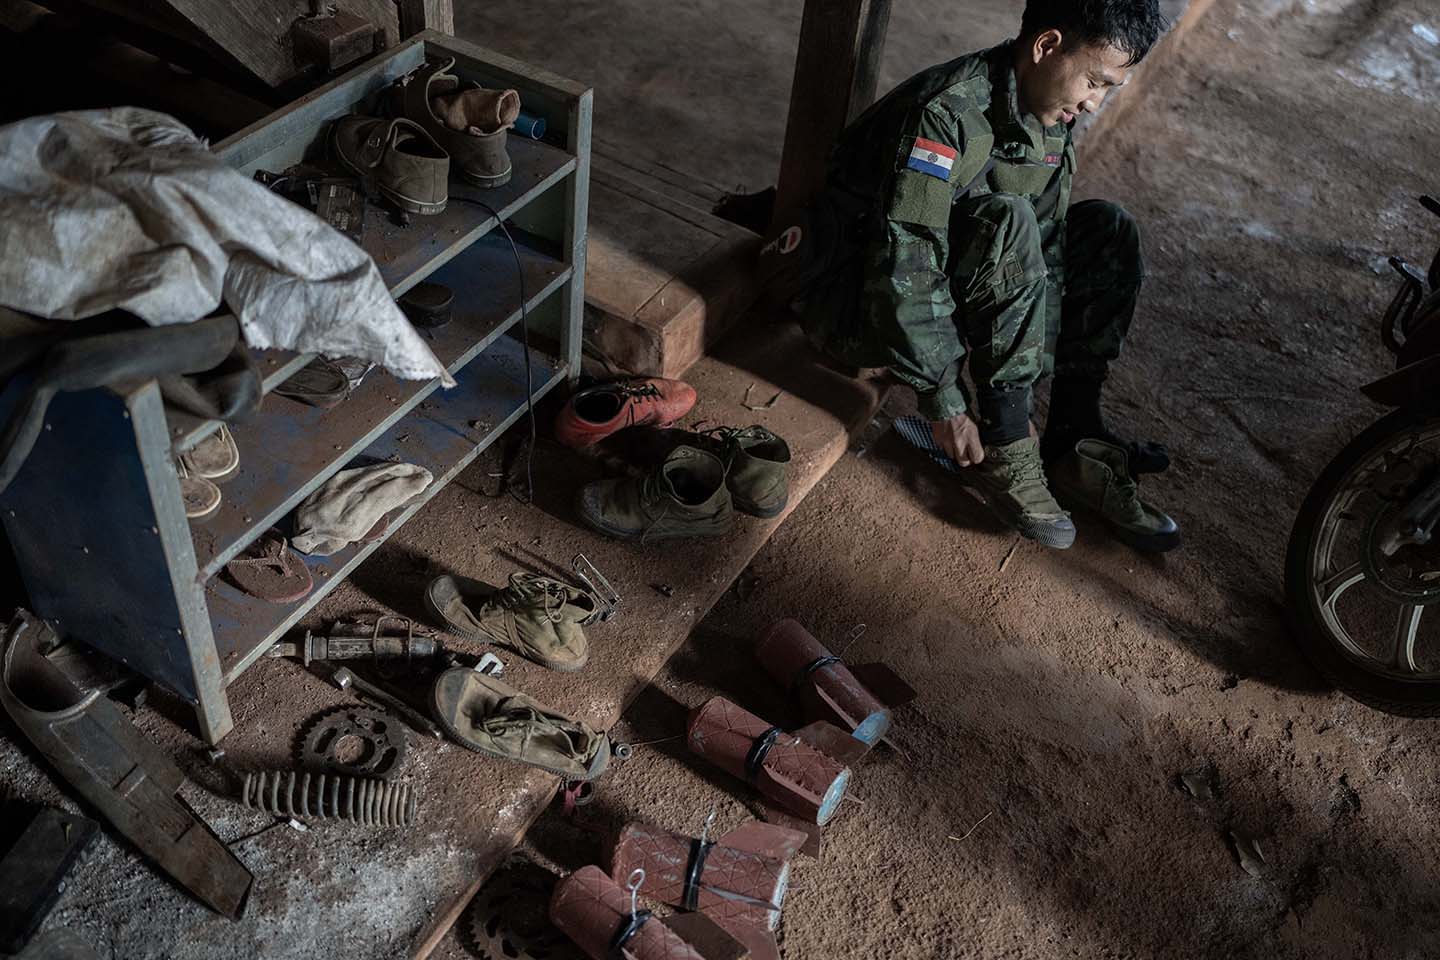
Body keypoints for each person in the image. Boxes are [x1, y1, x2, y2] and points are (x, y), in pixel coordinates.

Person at [781, 0, 1181, 553]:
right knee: (1005, 221)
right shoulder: (946, 113)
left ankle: (1071, 438)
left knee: (1106, 231)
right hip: (856, 300)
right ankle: (1007, 450)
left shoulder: (1047, 112)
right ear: (1045, 47)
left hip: (937, 285)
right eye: (1094, 81)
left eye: (1109, 88)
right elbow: (905, 261)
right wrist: (945, 400)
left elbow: (1048, 254)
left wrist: (1031, 382)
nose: (1094, 103)